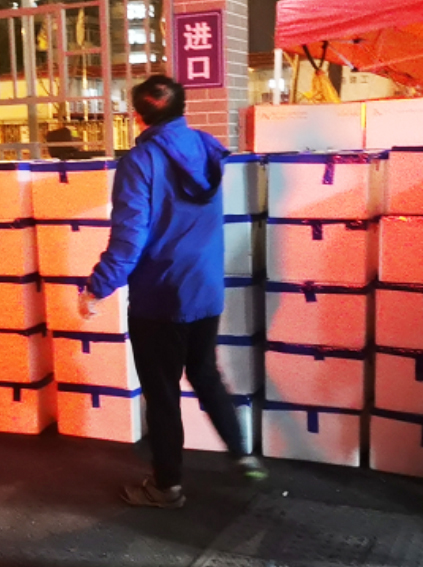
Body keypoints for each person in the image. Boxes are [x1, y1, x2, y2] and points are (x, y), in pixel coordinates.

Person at [78, 75, 266, 509]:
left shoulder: (140, 161)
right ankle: (242, 452)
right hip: (204, 288)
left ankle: (167, 487)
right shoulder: (206, 148)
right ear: (182, 108)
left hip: (160, 296)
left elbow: (129, 239)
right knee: (204, 372)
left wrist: (96, 288)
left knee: (162, 395)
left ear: (136, 115)